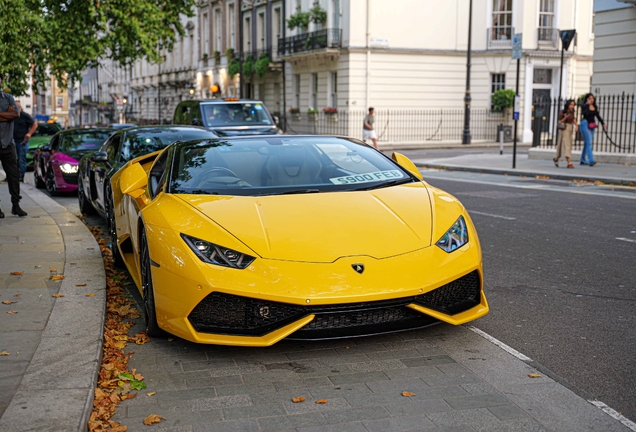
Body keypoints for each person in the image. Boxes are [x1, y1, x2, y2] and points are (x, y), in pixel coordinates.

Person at [0, 77, 27, 217]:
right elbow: (11, 115)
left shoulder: (8, 98)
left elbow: (16, 114)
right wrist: (7, 114)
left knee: (14, 175)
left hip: (8, 143)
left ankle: (15, 205)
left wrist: (12, 114)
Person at [579, 93, 607, 166]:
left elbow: (598, 116)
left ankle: (582, 159)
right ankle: (591, 160)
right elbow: (585, 114)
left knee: (587, 143)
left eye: (592, 98)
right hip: (585, 124)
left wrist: (603, 123)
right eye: (590, 98)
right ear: (587, 99)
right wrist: (588, 105)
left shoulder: (594, 107)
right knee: (589, 142)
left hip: (592, 125)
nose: (591, 100)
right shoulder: (584, 106)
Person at [13, 100, 38, 182]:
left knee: (21, 159)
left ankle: (20, 177)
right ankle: (12, 176)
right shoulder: (12, 116)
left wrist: (29, 134)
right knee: (11, 160)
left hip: (22, 141)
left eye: (16, 107)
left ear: (20, 108)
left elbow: (34, 124)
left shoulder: (24, 116)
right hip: (12, 141)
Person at [553, 99, 578, 169]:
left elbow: (573, 119)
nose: (572, 106)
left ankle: (556, 158)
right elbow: (560, 121)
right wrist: (565, 117)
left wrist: (576, 125)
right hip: (564, 128)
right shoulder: (562, 112)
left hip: (570, 128)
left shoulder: (572, 112)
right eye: (571, 105)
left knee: (568, 144)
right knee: (565, 144)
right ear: (567, 105)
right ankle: (569, 161)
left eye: (573, 105)